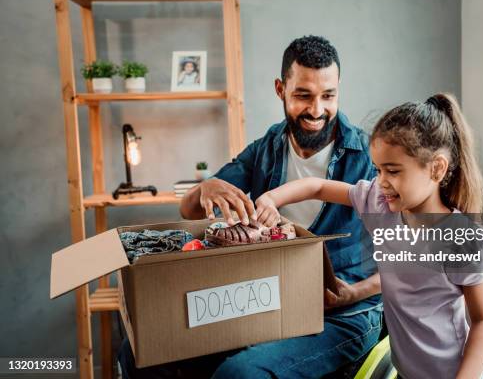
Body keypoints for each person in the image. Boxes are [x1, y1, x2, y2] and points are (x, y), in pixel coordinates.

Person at [118, 35, 383, 378]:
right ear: (280, 89)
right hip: (269, 303)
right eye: (303, 95)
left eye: (328, 96)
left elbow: (412, 257)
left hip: (343, 316)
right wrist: (206, 188)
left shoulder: (369, 158)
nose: (317, 110)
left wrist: (351, 294)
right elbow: (188, 210)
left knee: (240, 374)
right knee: (143, 349)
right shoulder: (267, 149)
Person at [256, 93, 483, 379]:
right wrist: (270, 198)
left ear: (437, 168)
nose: (382, 181)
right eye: (379, 169)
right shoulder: (380, 204)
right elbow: (318, 187)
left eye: (393, 171)